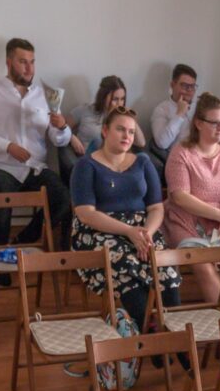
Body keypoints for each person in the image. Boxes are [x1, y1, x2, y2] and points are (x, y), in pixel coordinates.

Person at [70, 107, 178, 327]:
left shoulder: (143, 162)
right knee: (127, 267)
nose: (126, 136)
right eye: (120, 130)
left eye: (130, 131)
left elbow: (156, 208)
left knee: (165, 268)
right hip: (99, 231)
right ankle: (148, 335)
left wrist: (145, 233)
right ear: (105, 131)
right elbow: (86, 214)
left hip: (142, 228)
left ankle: (174, 334)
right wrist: (129, 232)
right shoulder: (85, 165)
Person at [0, 37, 73, 254]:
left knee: (64, 197)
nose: (29, 68)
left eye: (32, 62)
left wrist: (62, 127)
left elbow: (58, 139)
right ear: (9, 62)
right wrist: (8, 146)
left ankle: (21, 242)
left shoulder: (44, 96)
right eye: (23, 62)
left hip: (34, 168)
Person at [162, 92, 220, 304]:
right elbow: (179, 197)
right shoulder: (181, 152)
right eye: (215, 123)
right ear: (198, 123)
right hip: (186, 220)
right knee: (201, 261)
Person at [68, 75, 146, 156]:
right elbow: (63, 126)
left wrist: (130, 117)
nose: (119, 104)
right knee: (98, 141)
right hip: (91, 159)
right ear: (103, 97)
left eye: (122, 99)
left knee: (143, 157)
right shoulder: (85, 110)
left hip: (116, 160)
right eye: (115, 99)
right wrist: (72, 138)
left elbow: (141, 143)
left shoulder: (123, 118)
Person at [149, 63, 198, 165]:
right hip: (179, 161)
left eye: (192, 87)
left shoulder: (199, 107)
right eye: (185, 86)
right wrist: (179, 115)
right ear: (172, 85)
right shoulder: (162, 109)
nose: (189, 91)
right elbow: (162, 143)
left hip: (201, 157)